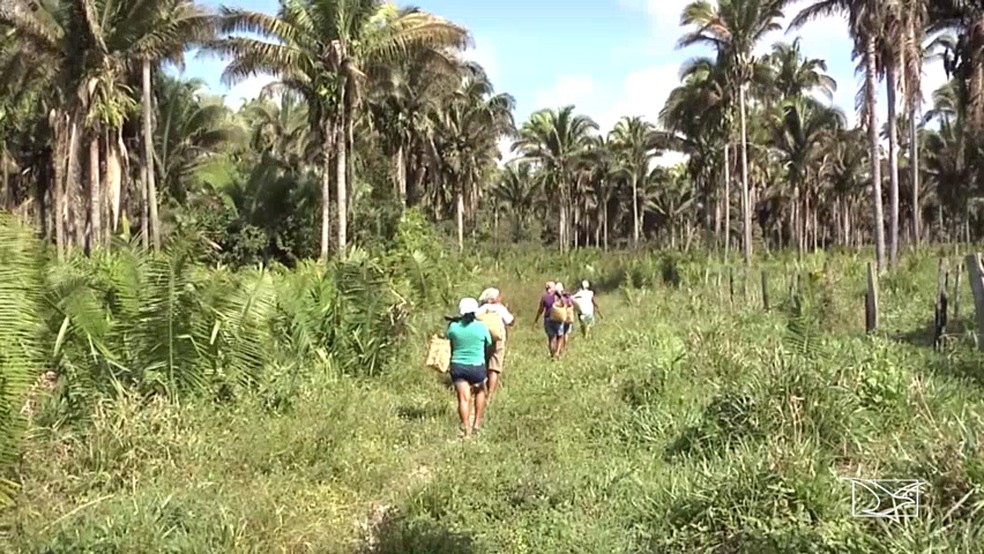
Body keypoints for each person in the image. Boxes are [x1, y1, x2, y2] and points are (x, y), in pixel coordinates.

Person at [447, 297, 493, 438]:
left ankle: (466, 428)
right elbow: (489, 342)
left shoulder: (453, 327)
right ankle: (477, 424)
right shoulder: (481, 327)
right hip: (477, 367)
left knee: (463, 398)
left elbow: (448, 338)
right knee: (480, 392)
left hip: (458, 366)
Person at [476, 287, 514, 400]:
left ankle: (481, 389)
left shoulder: (481, 309)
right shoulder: (500, 309)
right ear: (493, 298)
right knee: (494, 367)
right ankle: (491, 395)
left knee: (483, 364)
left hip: (482, 340)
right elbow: (510, 321)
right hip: (498, 340)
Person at [532, 281, 563, 359]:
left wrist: (536, 320)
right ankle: (557, 352)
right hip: (558, 318)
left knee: (551, 338)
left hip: (548, 319)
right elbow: (565, 303)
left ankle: (553, 354)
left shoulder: (544, 297)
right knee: (560, 336)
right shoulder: (557, 296)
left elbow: (541, 309)